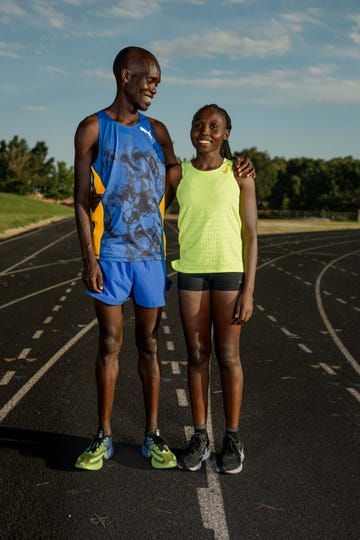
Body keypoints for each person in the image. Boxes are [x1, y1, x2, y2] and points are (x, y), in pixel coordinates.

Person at [74, 46, 255, 471]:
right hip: (110, 257)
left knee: (150, 345)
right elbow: (80, 199)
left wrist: (237, 163)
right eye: (149, 78)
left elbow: (180, 172)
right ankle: (102, 435)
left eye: (157, 81)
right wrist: (89, 257)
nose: (155, 86)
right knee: (109, 344)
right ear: (125, 75)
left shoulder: (157, 131)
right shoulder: (91, 128)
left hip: (151, 259)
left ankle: (152, 435)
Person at [166, 104, 258, 474]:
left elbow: (252, 235)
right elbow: (148, 207)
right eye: (198, 124)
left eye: (214, 126)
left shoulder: (239, 174)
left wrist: (249, 290)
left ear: (226, 134)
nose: (204, 130)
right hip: (191, 274)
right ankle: (201, 435)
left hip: (229, 276)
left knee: (228, 356)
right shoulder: (178, 174)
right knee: (196, 354)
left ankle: (232, 437)